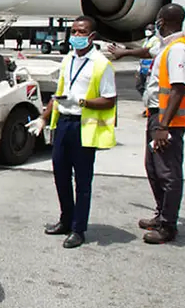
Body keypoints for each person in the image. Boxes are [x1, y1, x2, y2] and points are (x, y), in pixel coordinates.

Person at [26, 16, 117, 248]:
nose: (75, 36)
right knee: (61, 176)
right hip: (63, 124)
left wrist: (82, 102)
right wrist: (43, 118)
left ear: (92, 36)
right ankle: (65, 220)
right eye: (73, 31)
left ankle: (78, 229)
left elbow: (109, 100)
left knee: (83, 181)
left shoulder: (101, 64)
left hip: (83, 126)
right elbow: (58, 93)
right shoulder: (68, 59)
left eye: (81, 32)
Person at [139, 3, 185, 244]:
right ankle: (161, 214)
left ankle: (168, 226)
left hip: (168, 119)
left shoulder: (178, 51)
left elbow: (178, 88)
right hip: (159, 115)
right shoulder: (169, 47)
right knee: (154, 168)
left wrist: (163, 126)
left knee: (167, 172)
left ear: (162, 21)